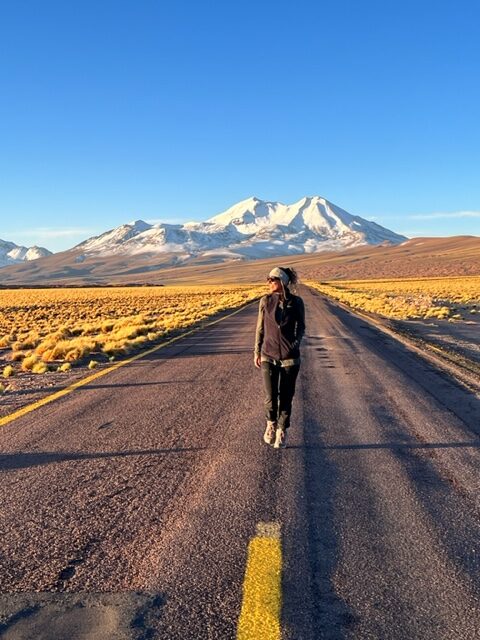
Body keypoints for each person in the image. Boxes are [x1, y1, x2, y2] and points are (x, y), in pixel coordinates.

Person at [254, 266, 305, 448]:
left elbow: (302, 327)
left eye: (272, 280)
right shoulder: (265, 301)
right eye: (268, 279)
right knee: (270, 396)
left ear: (282, 282)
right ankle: (270, 424)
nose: (269, 283)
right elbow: (260, 328)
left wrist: (294, 345)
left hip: (290, 358)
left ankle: (282, 430)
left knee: (286, 396)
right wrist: (257, 351)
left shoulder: (296, 302)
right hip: (268, 354)